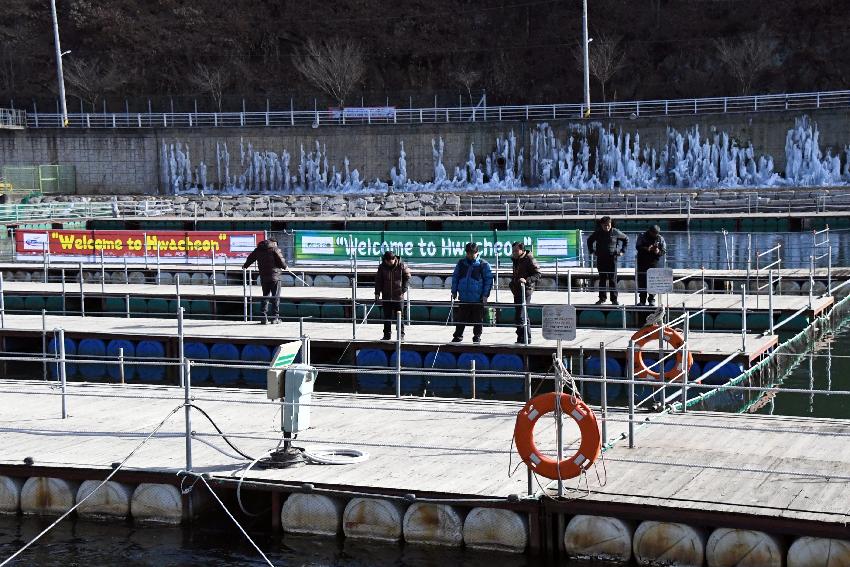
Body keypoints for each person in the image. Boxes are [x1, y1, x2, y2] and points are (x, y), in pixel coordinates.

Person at [451, 242, 493, 344]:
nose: (470, 255)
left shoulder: (484, 265)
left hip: (477, 298)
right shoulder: (461, 263)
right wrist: (454, 290)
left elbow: (488, 281)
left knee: (478, 320)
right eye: (468, 253)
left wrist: (485, 295)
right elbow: (455, 277)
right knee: (460, 319)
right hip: (464, 298)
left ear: (477, 252)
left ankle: (477, 337)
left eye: (472, 253)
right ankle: (458, 336)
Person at [242, 237, 287, 324]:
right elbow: (281, 260)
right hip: (275, 277)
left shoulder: (258, 249)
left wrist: (245, 266)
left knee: (265, 297)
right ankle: (275, 318)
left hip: (264, 277)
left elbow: (250, 258)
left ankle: (263, 317)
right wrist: (285, 266)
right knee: (275, 297)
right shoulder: (274, 249)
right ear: (273, 243)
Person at [587, 216, 629, 305]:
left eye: (608, 225)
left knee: (612, 279)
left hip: (612, 259)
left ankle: (614, 299)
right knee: (602, 279)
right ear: (601, 225)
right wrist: (591, 251)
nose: (607, 227)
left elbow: (626, 239)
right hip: (601, 259)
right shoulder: (598, 233)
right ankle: (602, 299)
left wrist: (622, 251)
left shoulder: (615, 232)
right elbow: (589, 240)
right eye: (605, 225)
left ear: (611, 224)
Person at [374, 250, 411, 340]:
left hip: (398, 296)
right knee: (387, 316)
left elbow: (408, 277)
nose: (389, 263)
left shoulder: (402, 266)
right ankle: (387, 335)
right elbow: (378, 281)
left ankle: (401, 335)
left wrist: (404, 289)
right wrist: (377, 293)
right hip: (386, 296)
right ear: (385, 260)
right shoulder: (382, 267)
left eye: (391, 261)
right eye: (387, 262)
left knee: (400, 316)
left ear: (394, 259)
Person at [509, 241, 541, 344]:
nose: (513, 252)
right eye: (513, 250)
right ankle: (521, 337)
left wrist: (526, 280)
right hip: (516, 290)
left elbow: (538, 274)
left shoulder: (529, 259)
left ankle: (525, 338)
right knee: (519, 315)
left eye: (516, 250)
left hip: (526, 290)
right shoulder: (516, 259)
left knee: (521, 315)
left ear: (522, 250)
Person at [635, 224, 667, 306]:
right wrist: (646, 248)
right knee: (642, 281)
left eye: (656, 233)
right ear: (650, 231)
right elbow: (638, 246)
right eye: (653, 233)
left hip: (654, 263)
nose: (655, 235)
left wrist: (658, 251)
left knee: (653, 281)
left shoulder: (660, 238)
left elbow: (663, 250)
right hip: (642, 262)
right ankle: (642, 300)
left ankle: (651, 299)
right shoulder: (642, 236)